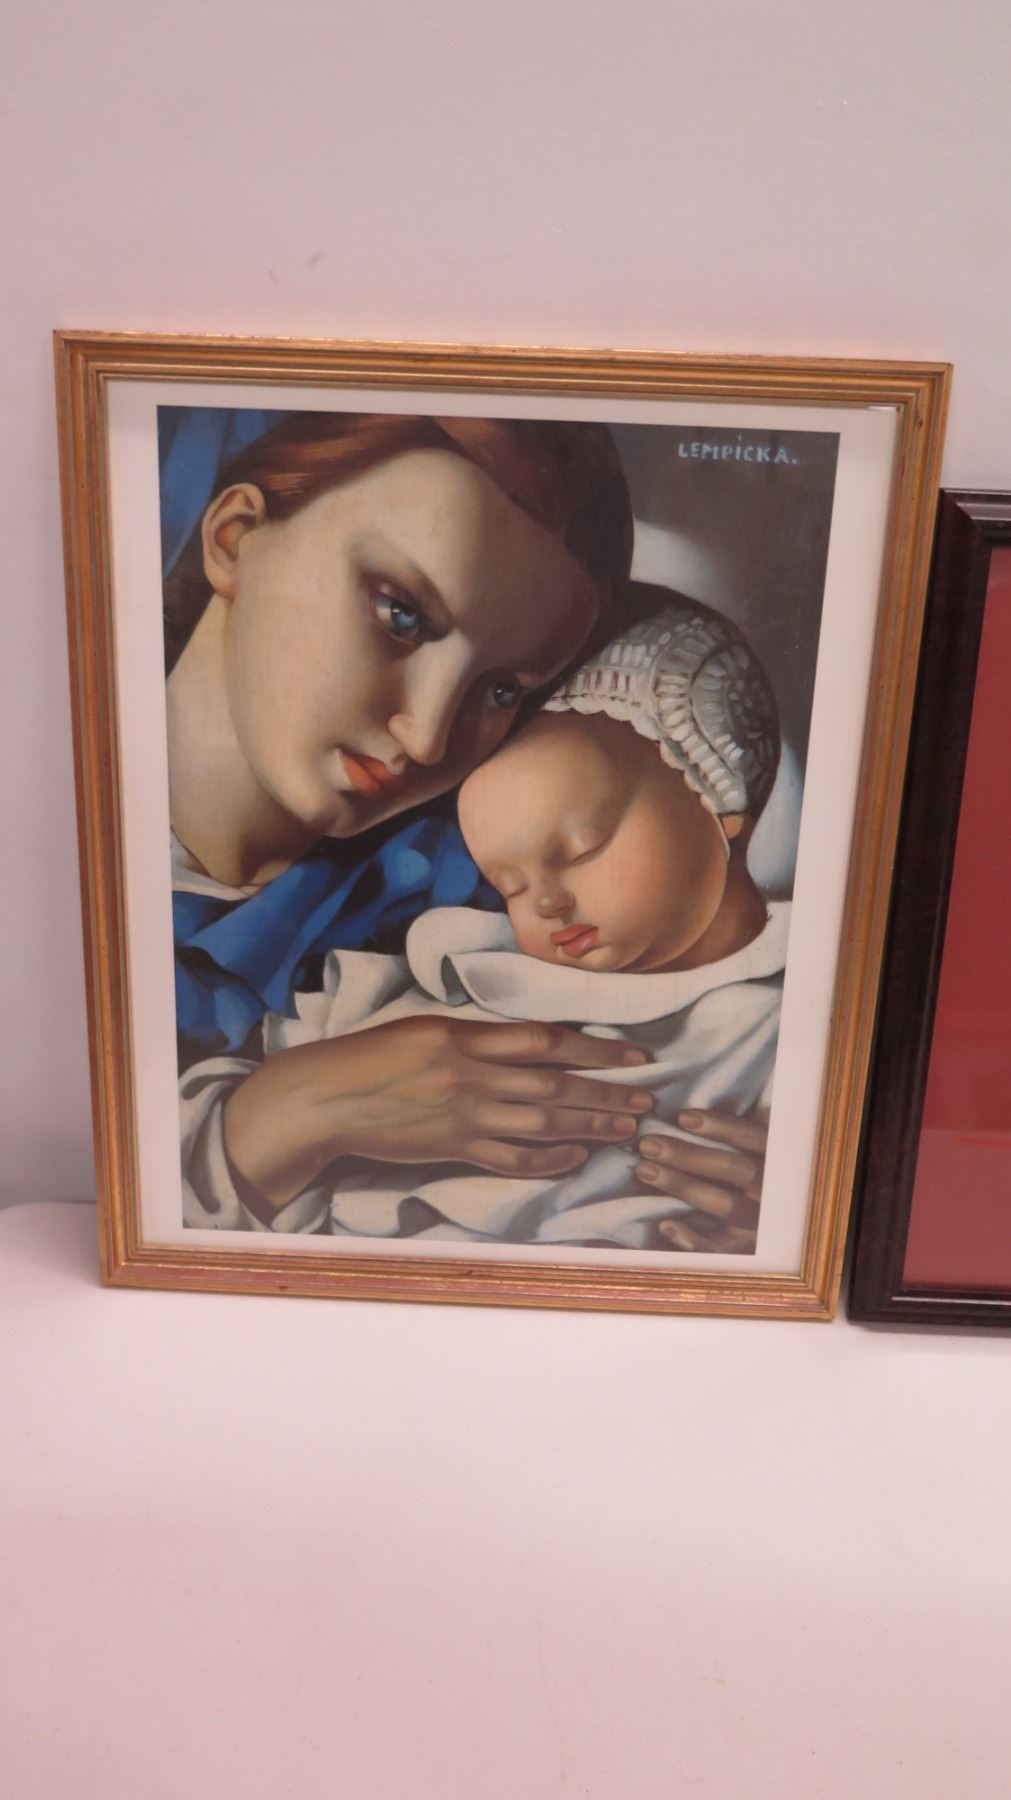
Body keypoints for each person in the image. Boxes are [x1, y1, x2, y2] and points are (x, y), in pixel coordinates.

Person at [180, 604, 783, 1251]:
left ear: (718, 798)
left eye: (583, 848)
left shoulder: (781, 1021)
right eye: (508, 886)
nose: (545, 902)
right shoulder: (455, 967)